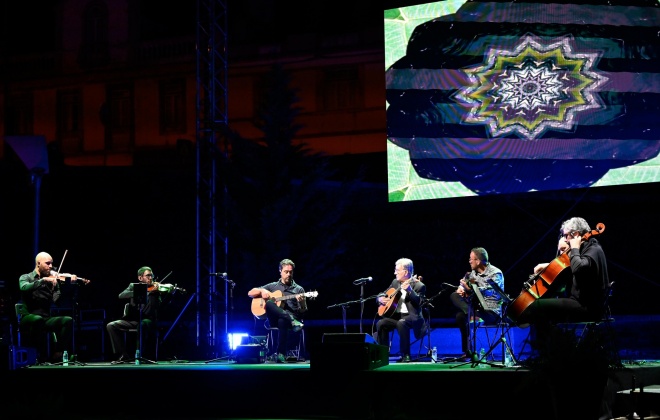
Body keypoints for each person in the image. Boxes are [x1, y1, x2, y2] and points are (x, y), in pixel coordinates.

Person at [523, 217, 610, 343]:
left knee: (537, 307)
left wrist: (574, 248)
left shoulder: (593, 249)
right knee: (542, 306)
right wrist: (548, 266)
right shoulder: (588, 249)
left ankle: (546, 352)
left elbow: (578, 268)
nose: (564, 239)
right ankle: (554, 347)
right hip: (582, 303)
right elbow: (572, 267)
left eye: (565, 236)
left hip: (588, 307)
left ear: (575, 235)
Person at [106, 266, 173, 363]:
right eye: (148, 276)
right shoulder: (133, 286)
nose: (151, 278)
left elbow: (162, 306)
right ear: (140, 278)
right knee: (111, 325)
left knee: (143, 325)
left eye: (152, 275)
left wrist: (170, 294)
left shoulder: (157, 290)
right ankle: (123, 355)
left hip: (148, 320)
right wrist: (144, 291)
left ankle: (140, 355)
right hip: (133, 320)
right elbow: (121, 295)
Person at [449, 247, 505, 361]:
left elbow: (491, 291)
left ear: (478, 261)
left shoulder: (496, 273)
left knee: (463, 315)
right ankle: (467, 351)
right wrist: (461, 290)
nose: (469, 261)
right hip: (476, 308)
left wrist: (470, 290)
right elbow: (461, 288)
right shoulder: (471, 274)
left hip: (490, 311)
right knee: (454, 299)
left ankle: (470, 312)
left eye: (471, 259)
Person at [18, 251, 74, 363]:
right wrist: (42, 281)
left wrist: (61, 288)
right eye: (47, 263)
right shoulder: (26, 277)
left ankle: (58, 353)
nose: (51, 266)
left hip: (45, 318)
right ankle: (40, 354)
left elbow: (57, 302)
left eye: (51, 263)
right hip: (28, 316)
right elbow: (24, 287)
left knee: (68, 320)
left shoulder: (52, 280)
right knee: (37, 320)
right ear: (38, 264)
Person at [248, 258, 306, 363]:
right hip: (274, 320)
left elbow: (303, 311)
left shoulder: (299, 289)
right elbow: (250, 293)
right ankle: (290, 320)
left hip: (289, 320)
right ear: (280, 271)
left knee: (282, 320)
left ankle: (281, 354)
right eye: (286, 272)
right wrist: (262, 290)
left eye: (291, 272)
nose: (289, 274)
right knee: (270, 303)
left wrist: (302, 303)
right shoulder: (273, 286)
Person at [375, 257, 427, 363]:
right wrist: (380, 298)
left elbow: (419, 302)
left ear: (406, 272)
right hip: (398, 317)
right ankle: (383, 354)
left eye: (397, 271)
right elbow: (383, 293)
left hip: (412, 318)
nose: (395, 273)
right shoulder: (395, 282)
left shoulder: (419, 285)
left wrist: (409, 290)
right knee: (381, 323)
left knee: (401, 323)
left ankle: (406, 355)